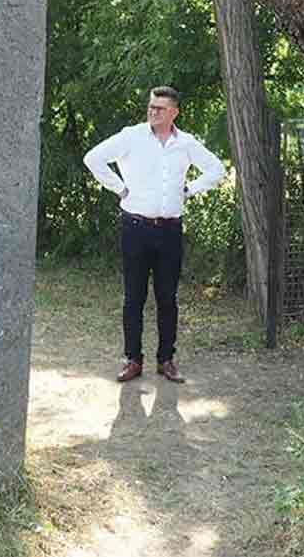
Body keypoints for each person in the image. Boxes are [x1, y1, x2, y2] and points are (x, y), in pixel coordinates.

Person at [83, 86, 225, 384]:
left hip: (170, 230)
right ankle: (132, 359)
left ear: (174, 112)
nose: (153, 111)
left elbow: (216, 169)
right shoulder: (131, 137)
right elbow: (93, 159)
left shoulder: (185, 143)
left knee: (167, 298)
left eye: (160, 108)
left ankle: (166, 360)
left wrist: (189, 190)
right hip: (135, 228)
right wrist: (120, 188)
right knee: (133, 297)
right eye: (151, 106)